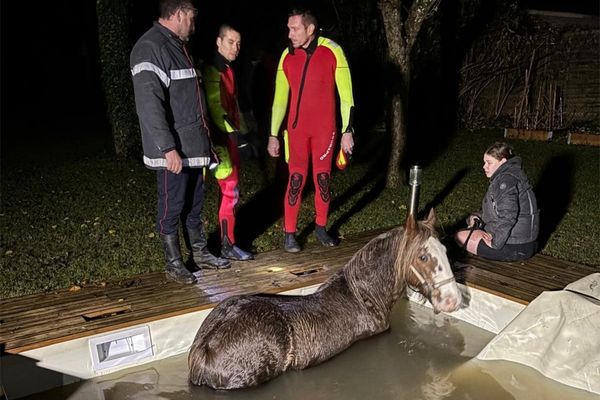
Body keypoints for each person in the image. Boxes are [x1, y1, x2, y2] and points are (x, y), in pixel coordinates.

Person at [130, 0, 230, 284]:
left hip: (193, 146)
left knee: (195, 203)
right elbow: (149, 105)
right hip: (174, 150)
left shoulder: (177, 45)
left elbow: (192, 102)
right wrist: (167, 148)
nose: (194, 25)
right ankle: (173, 263)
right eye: (191, 18)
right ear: (176, 15)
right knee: (172, 205)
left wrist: (206, 144)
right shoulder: (150, 48)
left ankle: (199, 253)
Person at [267, 9, 355, 253]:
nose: (289, 33)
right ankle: (289, 233)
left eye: (294, 28)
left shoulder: (333, 51)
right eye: (288, 28)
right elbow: (279, 100)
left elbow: (347, 97)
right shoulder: (287, 55)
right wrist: (273, 134)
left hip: (325, 131)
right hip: (295, 131)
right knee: (295, 180)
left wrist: (348, 130)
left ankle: (320, 228)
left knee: (323, 181)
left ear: (310, 29)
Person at [203, 24, 253, 261]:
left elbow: (233, 108)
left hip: (231, 140)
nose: (236, 47)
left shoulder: (228, 70)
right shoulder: (213, 70)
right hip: (221, 143)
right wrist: (237, 137)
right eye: (231, 42)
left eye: (239, 43)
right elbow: (216, 108)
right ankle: (226, 246)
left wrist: (245, 133)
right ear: (218, 42)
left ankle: (227, 243)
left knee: (231, 192)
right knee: (230, 192)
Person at [455, 142, 539, 261]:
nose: (484, 166)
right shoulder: (512, 175)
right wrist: (476, 218)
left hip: (516, 247)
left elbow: (508, 217)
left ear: (503, 162)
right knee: (470, 230)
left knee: (459, 236)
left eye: (489, 162)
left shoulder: (505, 182)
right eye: (484, 162)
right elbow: (496, 210)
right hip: (526, 243)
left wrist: (495, 243)